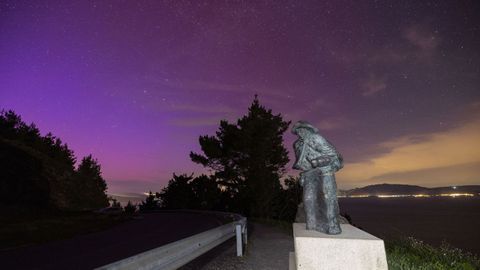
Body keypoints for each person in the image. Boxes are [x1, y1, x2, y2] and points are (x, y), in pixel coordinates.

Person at [292, 121, 343, 234]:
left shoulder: (316, 138)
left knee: (327, 197)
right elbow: (302, 162)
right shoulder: (297, 145)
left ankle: (332, 225)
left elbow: (333, 155)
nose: (300, 132)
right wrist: (304, 174)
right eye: (298, 131)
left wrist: (319, 161)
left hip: (325, 169)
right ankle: (312, 223)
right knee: (308, 199)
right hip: (309, 173)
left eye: (302, 129)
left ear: (308, 129)